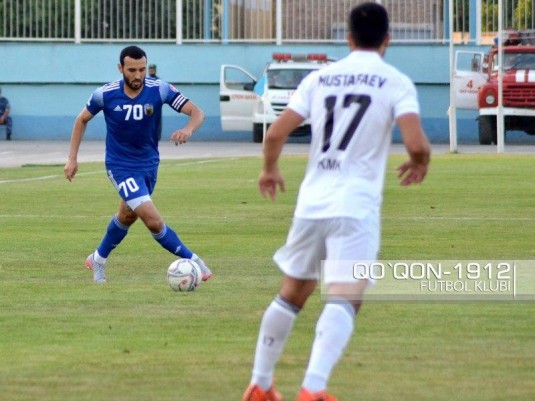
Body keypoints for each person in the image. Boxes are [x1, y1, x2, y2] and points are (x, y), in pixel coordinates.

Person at [242, 3, 431, 401]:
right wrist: (419, 161)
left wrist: (270, 170)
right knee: (346, 295)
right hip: (354, 206)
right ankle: (313, 388)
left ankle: (260, 383)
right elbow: (416, 143)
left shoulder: (320, 78)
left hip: (312, 202)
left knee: (293, 291)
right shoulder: (394, 81)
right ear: (387, 40)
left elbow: (274, 134)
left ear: (347, 38)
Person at [63, 45, 212, 284]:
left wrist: (187, 129)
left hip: (149, 165)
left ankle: (98, 259)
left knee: (127, 216)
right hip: (120, 166)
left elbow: (197, 112)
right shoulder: (106, 94)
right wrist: (72, 158)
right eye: (132, 70)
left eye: (142, 69)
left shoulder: (160, 90)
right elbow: (81, 119)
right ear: (120, 68)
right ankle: (195, 262)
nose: (138, 75)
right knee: (152, 220)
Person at [148, 63, 163, 140]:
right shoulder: (145, 80)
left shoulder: (158, 81)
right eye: (150, 69)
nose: (151, 71)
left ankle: (157, 137)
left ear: (155, 70)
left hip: (156, 104)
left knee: (156, 120)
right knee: (148, 119)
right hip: (148, 104)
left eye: (153, 69)